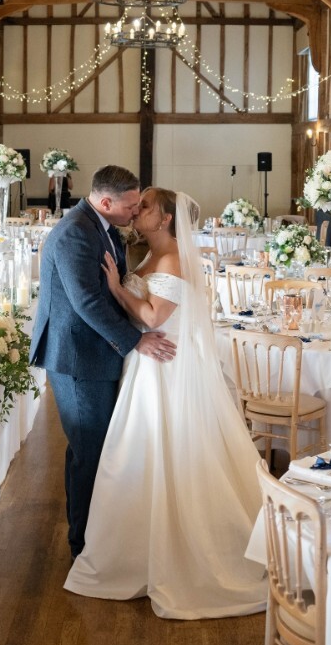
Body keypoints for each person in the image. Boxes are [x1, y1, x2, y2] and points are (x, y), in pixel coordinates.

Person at [65, 187, 265, 619]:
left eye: (147, 207)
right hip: (148, 364)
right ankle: (136, 548)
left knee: (164, 448)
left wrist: (117, 289)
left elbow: (155, 317)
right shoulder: (150, 252)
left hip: (166, 366)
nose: (137, 211)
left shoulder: (173, 257)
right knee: (140, 452)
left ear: (167, 219)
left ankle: (184, 549)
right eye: (136, 205)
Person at [29, 166, 176, 561]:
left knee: (95, 449)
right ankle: (83, 547)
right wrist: (136, 341)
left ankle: (99, 534)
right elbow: (87, 302)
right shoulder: (77, 231)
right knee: (89, 452)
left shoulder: (102, 225)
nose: (134, 212)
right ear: (105, 201)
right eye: (130, 205)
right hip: (79, 358)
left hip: (96, 352)